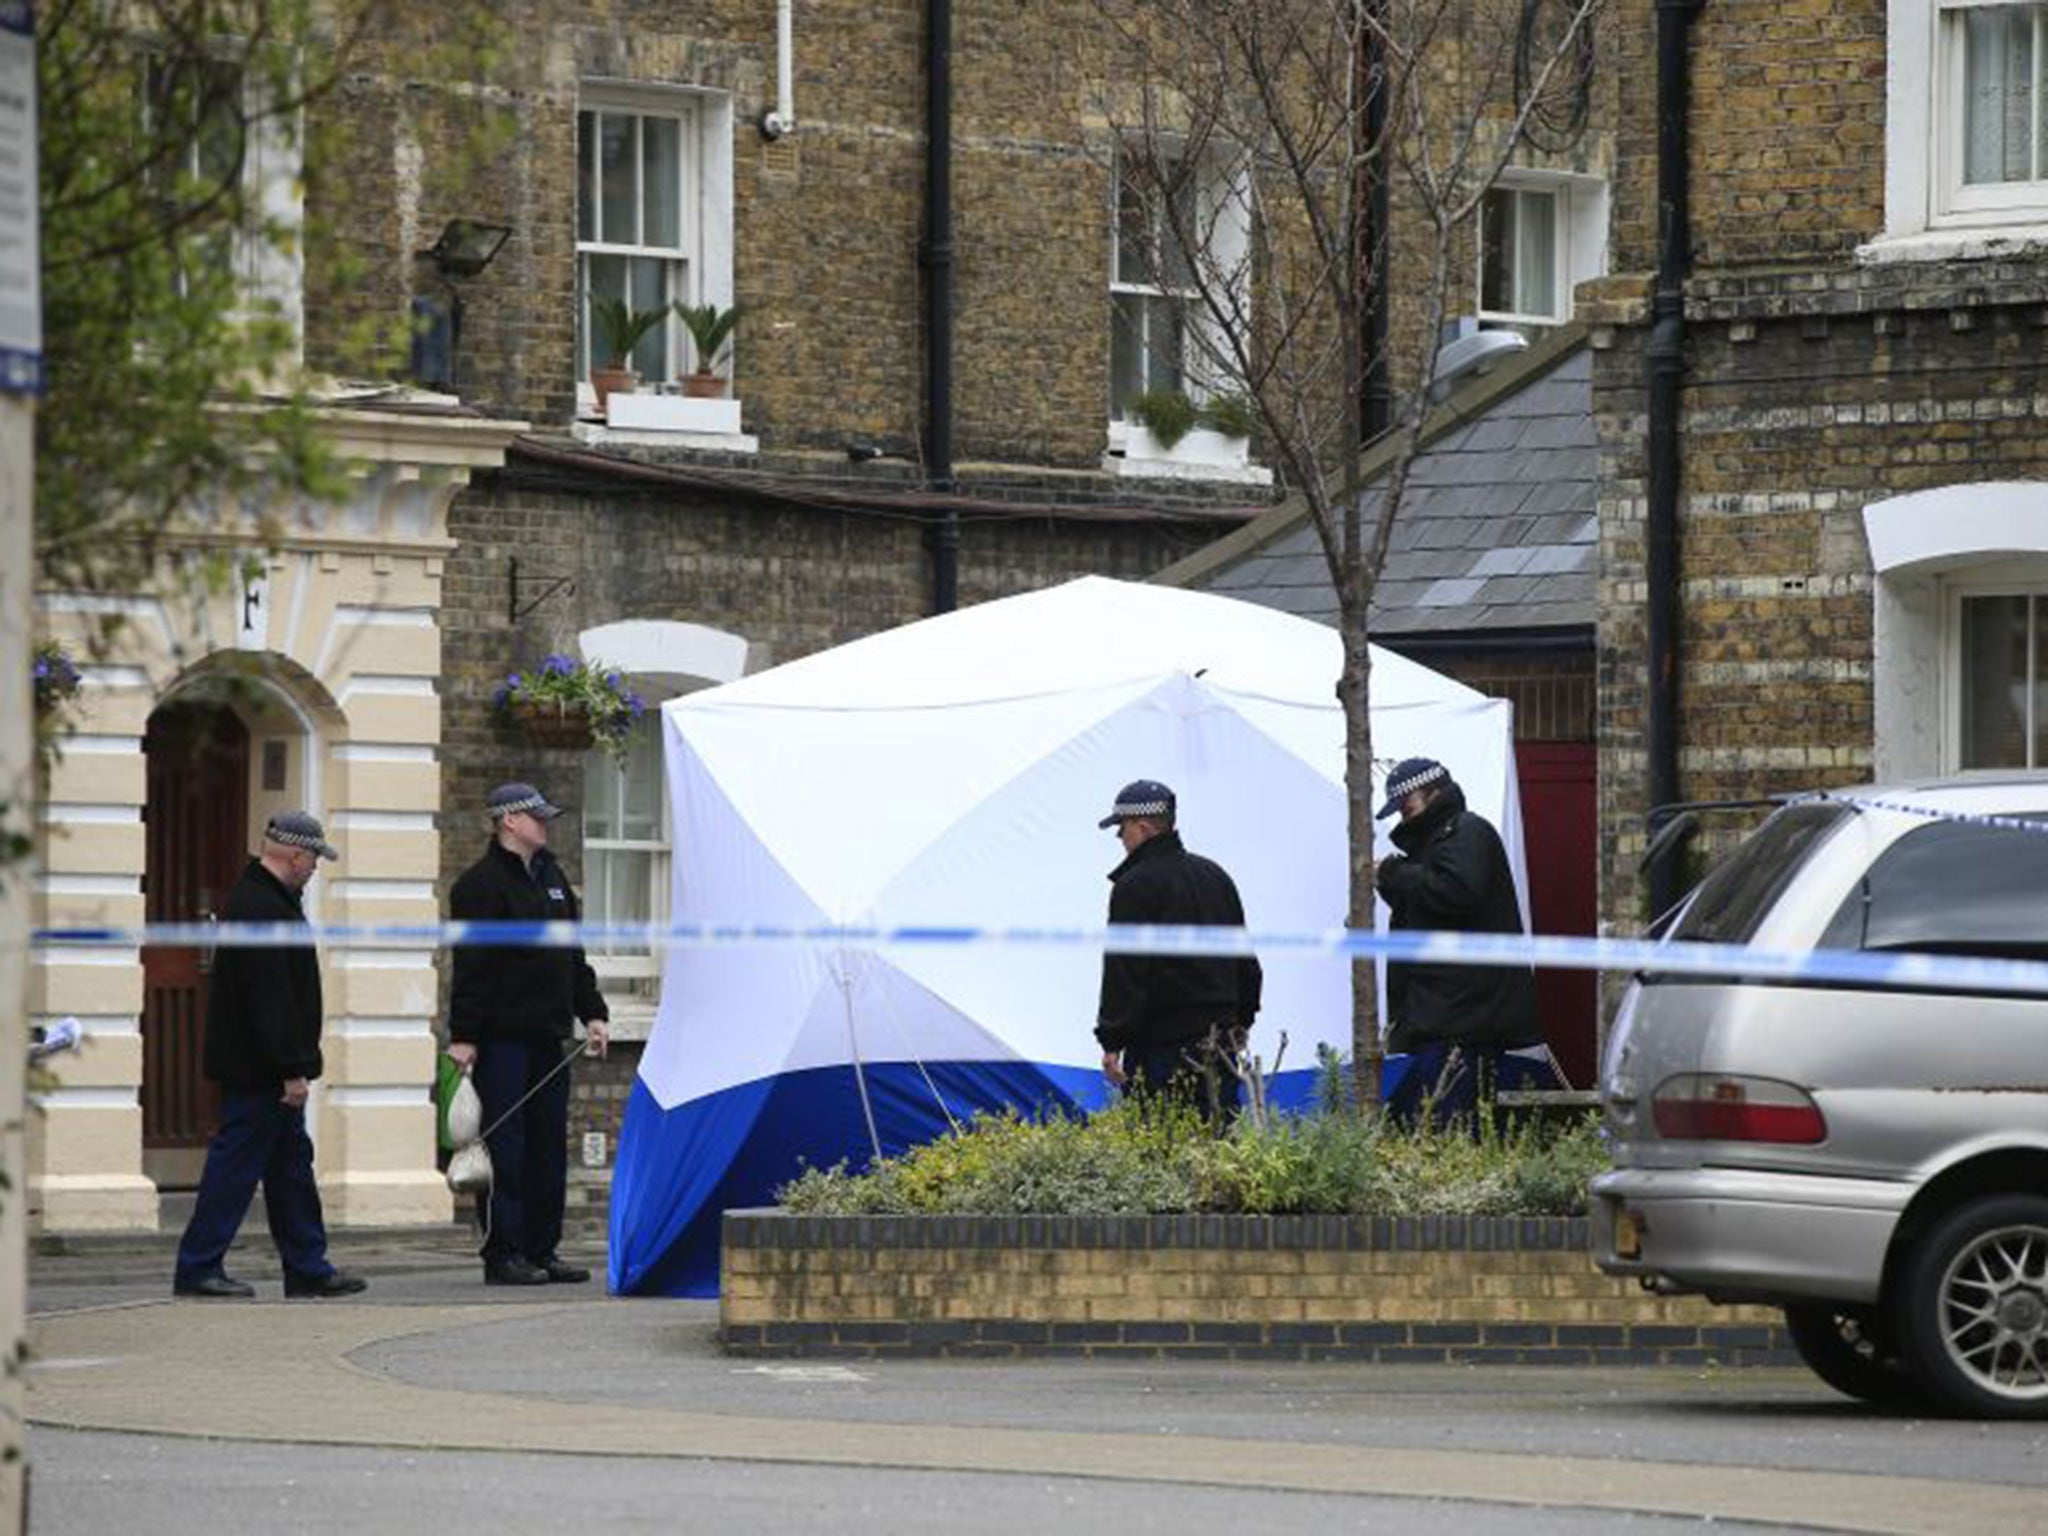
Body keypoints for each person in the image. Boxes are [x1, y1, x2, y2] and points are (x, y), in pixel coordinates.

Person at [173, 812, 368, 1300]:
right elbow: (270, 998)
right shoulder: (262, 907)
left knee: (290, 1171)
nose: (316, 869)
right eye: (315, 859)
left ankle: (307, 1266)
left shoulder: (268, 900)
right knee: (235, 1169)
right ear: (297, 855)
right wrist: (290, 1070)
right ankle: (198, 1266)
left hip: (264, 1065)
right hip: (261, 1070)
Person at [447, 782, 609, 1286]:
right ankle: (504, 1253)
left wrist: (593, 1012)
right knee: (506, 1149)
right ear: (509, 821)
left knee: (546, 1147)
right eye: (536, 817)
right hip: (501, 1039)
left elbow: (572, 955)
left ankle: (543, 1248)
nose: (546, 823)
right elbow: (471, 965)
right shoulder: (478, 885)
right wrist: (465, 1035)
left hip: (548, 1035)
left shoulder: (553, 876)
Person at [1372, 756, 1548, 1127]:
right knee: (1433, 1124)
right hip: (1445, 1018)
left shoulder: (1467, 832)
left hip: (1461, 1021)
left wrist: (1395, 873)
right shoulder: (1442, 842)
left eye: (1408, 806)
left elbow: (1457, 893)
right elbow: (1434, 910)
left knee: (1445, 1125)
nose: (1403, 818)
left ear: (1433, 794)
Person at [1093, 779, 1261, 1124]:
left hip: (1161, 1048)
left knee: (1161, 1151)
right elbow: (1246, 964)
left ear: (1142, 828)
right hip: (1222, 1045)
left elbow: (1126, 973)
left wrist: (1112, 1040)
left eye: (1121, 830)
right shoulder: (1216, 876)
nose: (1119, 840)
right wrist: (1242, 1020)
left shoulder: (1134, 886)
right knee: (1218, 1146)